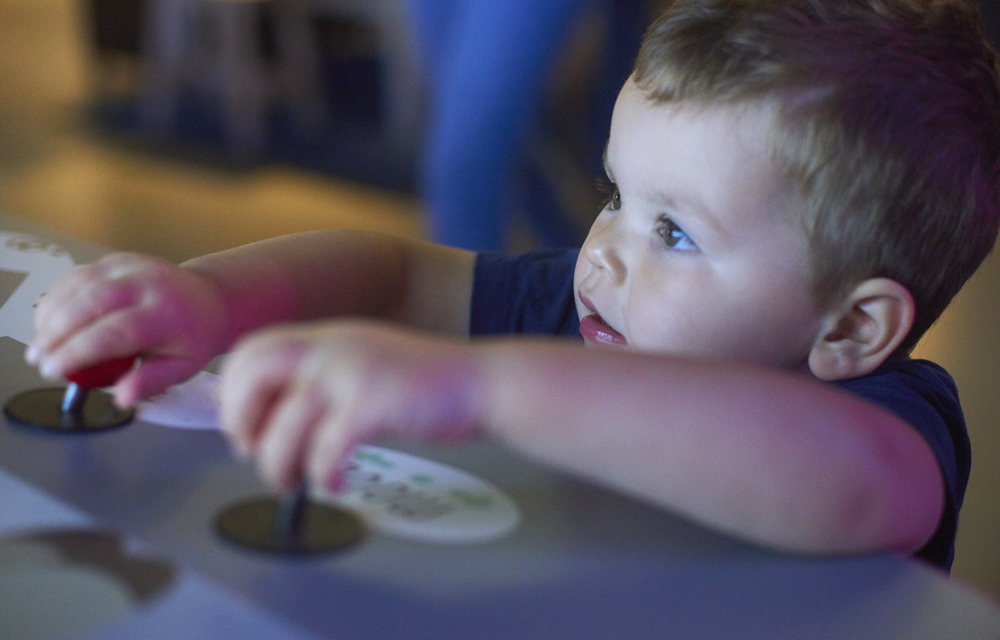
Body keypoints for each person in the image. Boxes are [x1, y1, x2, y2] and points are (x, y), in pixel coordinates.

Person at [26, 0, 1000, 570]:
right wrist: (214, 299)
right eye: (614, 193)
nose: (605, 248)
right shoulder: (596, 311)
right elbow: (392, 270)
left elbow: (848, 485)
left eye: (674, 231)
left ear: (853, 326)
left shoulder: (886, 418)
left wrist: (480, 387)